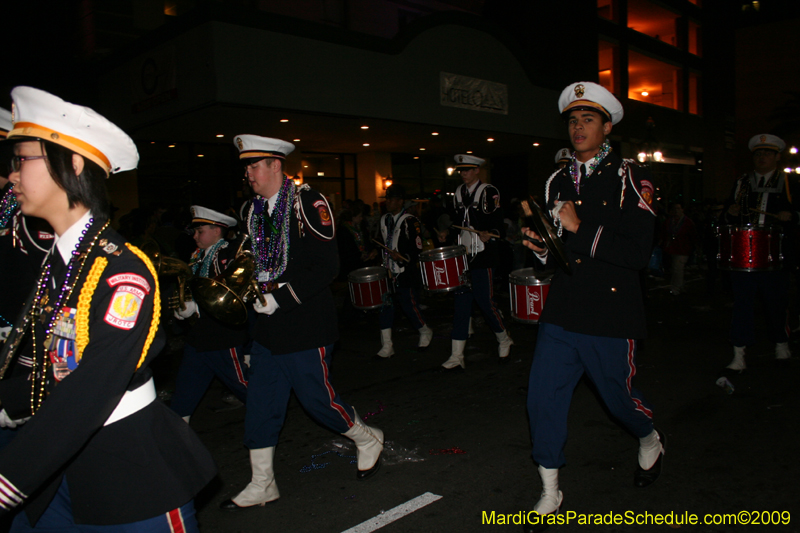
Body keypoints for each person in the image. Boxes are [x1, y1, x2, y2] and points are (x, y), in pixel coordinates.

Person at [0, 86, 215, 531]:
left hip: (130, 479)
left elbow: (91, 387)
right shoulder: (58, 263)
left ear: (72, 163)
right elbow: (49, 369)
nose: (12, 176)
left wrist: (10, 477)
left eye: (23, 159)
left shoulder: (122, 272)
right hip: (59, 474)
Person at [521, 81, 662, 530]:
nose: (578, 127)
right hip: (563, 309)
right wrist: (539, 247)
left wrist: (579, 227)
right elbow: (554, 246)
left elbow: (637, 253)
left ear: (607, 127)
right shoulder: (556, 178)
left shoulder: (632, 179)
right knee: (542, 398)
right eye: (572, 120)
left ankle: (649, 436)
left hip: (610, 311)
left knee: (619, 400)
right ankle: (549, 486)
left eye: (588, 119)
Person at [220, 134, 383, 510]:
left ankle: (366, 437)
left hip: (304, 319)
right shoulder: (250, 210)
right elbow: (254, 260)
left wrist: (279, 298)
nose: (249, 174)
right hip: (266, 324)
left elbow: (327, 267)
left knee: (317, 400)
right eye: (246, 167)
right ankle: (263, 483)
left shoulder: (309, 202)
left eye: (254, 166)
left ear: (276, 165)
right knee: (261, 402)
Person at [169, 206, 249, 422]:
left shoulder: (227, 255)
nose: (195, 236)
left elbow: (231, 293)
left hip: (222, 337)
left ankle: (270, 411)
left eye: (200, 230)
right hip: (198, 338)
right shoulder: (197, 256)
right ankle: (176, 434)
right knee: (185, 391)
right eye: (194, 232)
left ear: (216, 230)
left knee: (245, 387)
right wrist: (183, 307)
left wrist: (197, 308)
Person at [722, 134, 794, 370]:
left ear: (777, 157)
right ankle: (739, 352)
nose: (762, 157)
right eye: (758, 154)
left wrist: (790, 216)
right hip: (745, 254)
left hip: (777, 255)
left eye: (767, 153)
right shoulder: (742, 182)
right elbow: (726, 214)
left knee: (776, 302)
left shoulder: (789, 183)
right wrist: (730, 211)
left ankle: (781, 342)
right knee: (742, 303)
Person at [436, 154, 513, 370]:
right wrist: (446, 233)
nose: (463, 174)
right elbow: (457, 221)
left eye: (468, 170)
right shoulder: (459, 192)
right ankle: (457, 355)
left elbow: (499, 220)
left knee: (484, 301)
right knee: (461, 302)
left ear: (477, 170)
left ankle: (503, 338)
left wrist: (492, 232)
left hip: (484, 254)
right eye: (461, 170)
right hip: (463, 254)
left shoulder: (489, 191)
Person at [375, 184, 433, 357]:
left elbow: (417, 247)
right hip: (388, 269)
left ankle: (424, 330)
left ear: (400, 201)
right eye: (387, 199)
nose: (387, 203)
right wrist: (375, 251)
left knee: (409, 305)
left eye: (390, 199)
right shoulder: (384, 219)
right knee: (385, 305)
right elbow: (381, 240)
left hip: (405, 271)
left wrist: (403, 256)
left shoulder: (410, 220)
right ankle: (387, 345)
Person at [660, 201, 697, 296]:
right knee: (675, 269)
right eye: (674, 209)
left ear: (682, 210)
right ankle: (678, 285)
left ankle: (676, 287)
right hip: (671, 248)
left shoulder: (687, 222)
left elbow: (693, 236)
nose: (676, 211)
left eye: (678, 209)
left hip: (683, 249)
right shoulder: (669, 221)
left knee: (678, 269)